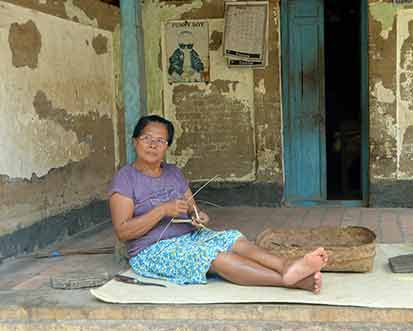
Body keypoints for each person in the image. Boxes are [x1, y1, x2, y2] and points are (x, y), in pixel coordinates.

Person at [108, 115, 328, 293]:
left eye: (160, 141)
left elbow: (192, 207)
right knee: (215, 256)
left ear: (167, 147)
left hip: (190, 237)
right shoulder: (125, 178)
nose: (153, 145)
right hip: (152, 250)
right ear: (135, 140)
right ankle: (290, 281)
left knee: (233, 238)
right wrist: (162, 210)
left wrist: (198, 217)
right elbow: (123, 231)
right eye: (147, 138)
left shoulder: (173, 172)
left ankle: (286, 266)